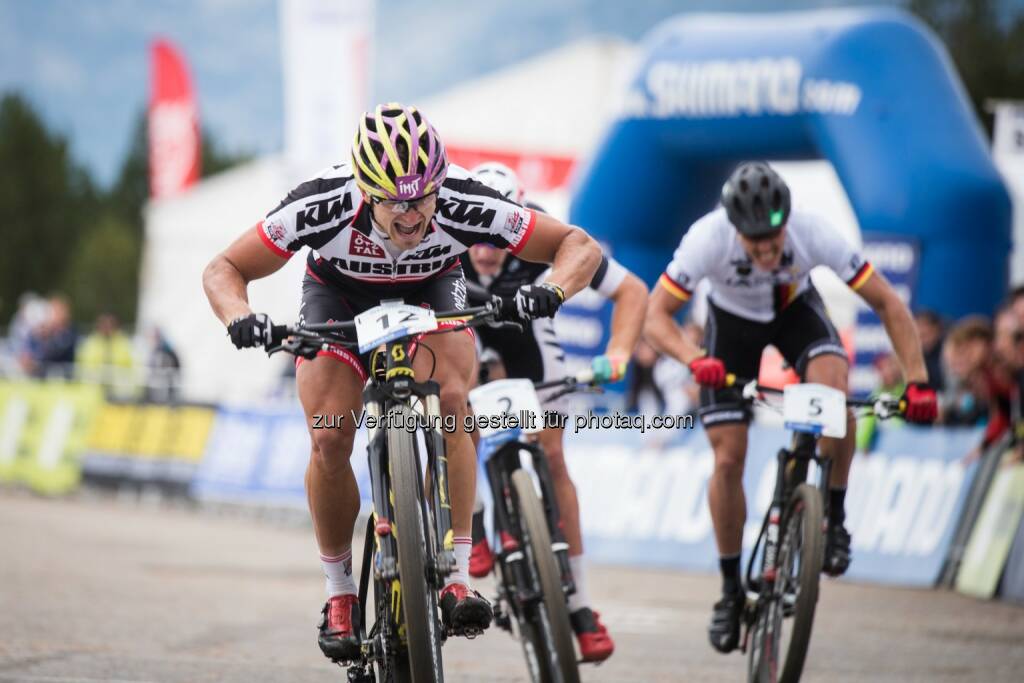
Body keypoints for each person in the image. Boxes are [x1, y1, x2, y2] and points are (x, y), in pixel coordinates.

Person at [201, 104, 603, 662]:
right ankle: (340, 592)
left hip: (433, 290)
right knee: (329, 436)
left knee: (456, 403)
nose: (412, 214)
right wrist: (240, 318)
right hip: (337, 298)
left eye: (423, 197)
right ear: (365, 189)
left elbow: (578, 247)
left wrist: (551, 291)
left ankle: (458, 573)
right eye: (395, 200)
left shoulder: (464, 199)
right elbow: (223, 269)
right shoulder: (321, 203)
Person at [643, 161, 937, 654]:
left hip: (795, 313)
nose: (766, 250)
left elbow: (887, 302)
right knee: (729, 456)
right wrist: (695, 360)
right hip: (730, 328)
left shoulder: (812, 232)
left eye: (773, 240)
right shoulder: (706, 238)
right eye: (754, 242)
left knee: (834, 390)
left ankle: (834, 517)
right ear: (734, 229)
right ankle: (731, 590)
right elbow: (655, 317)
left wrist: (919, 382)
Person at [462, 161, 648, 662]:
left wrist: (621, 352)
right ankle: (474, 520)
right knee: (459, 408)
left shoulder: (544, 233)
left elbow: (632, 291)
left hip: (529, 338)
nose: (483, 252)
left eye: (495, 241)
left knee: (554, 454)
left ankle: (582, 605)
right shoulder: (448, 233)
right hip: (469, 335)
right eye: (474, 240)